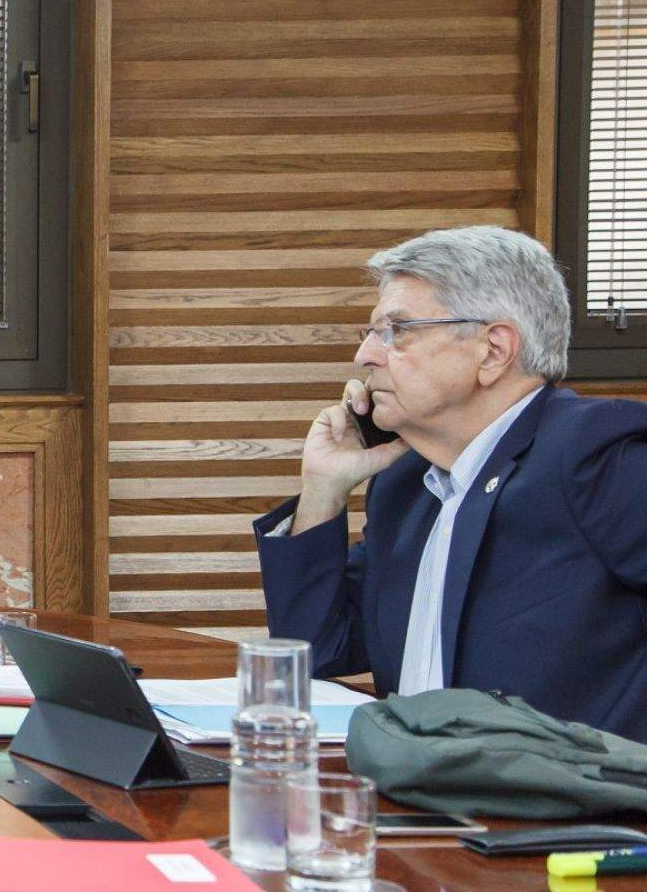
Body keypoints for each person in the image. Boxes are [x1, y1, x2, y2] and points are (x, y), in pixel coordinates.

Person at [254, 225, 647, 740]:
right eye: (370, 333)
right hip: (418, 807)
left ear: (493, 350)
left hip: (564, 815)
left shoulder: (596, 456)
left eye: (397, 331)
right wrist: (324, 489)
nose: (366, 356)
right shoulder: (406, 484)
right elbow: (317, 652)